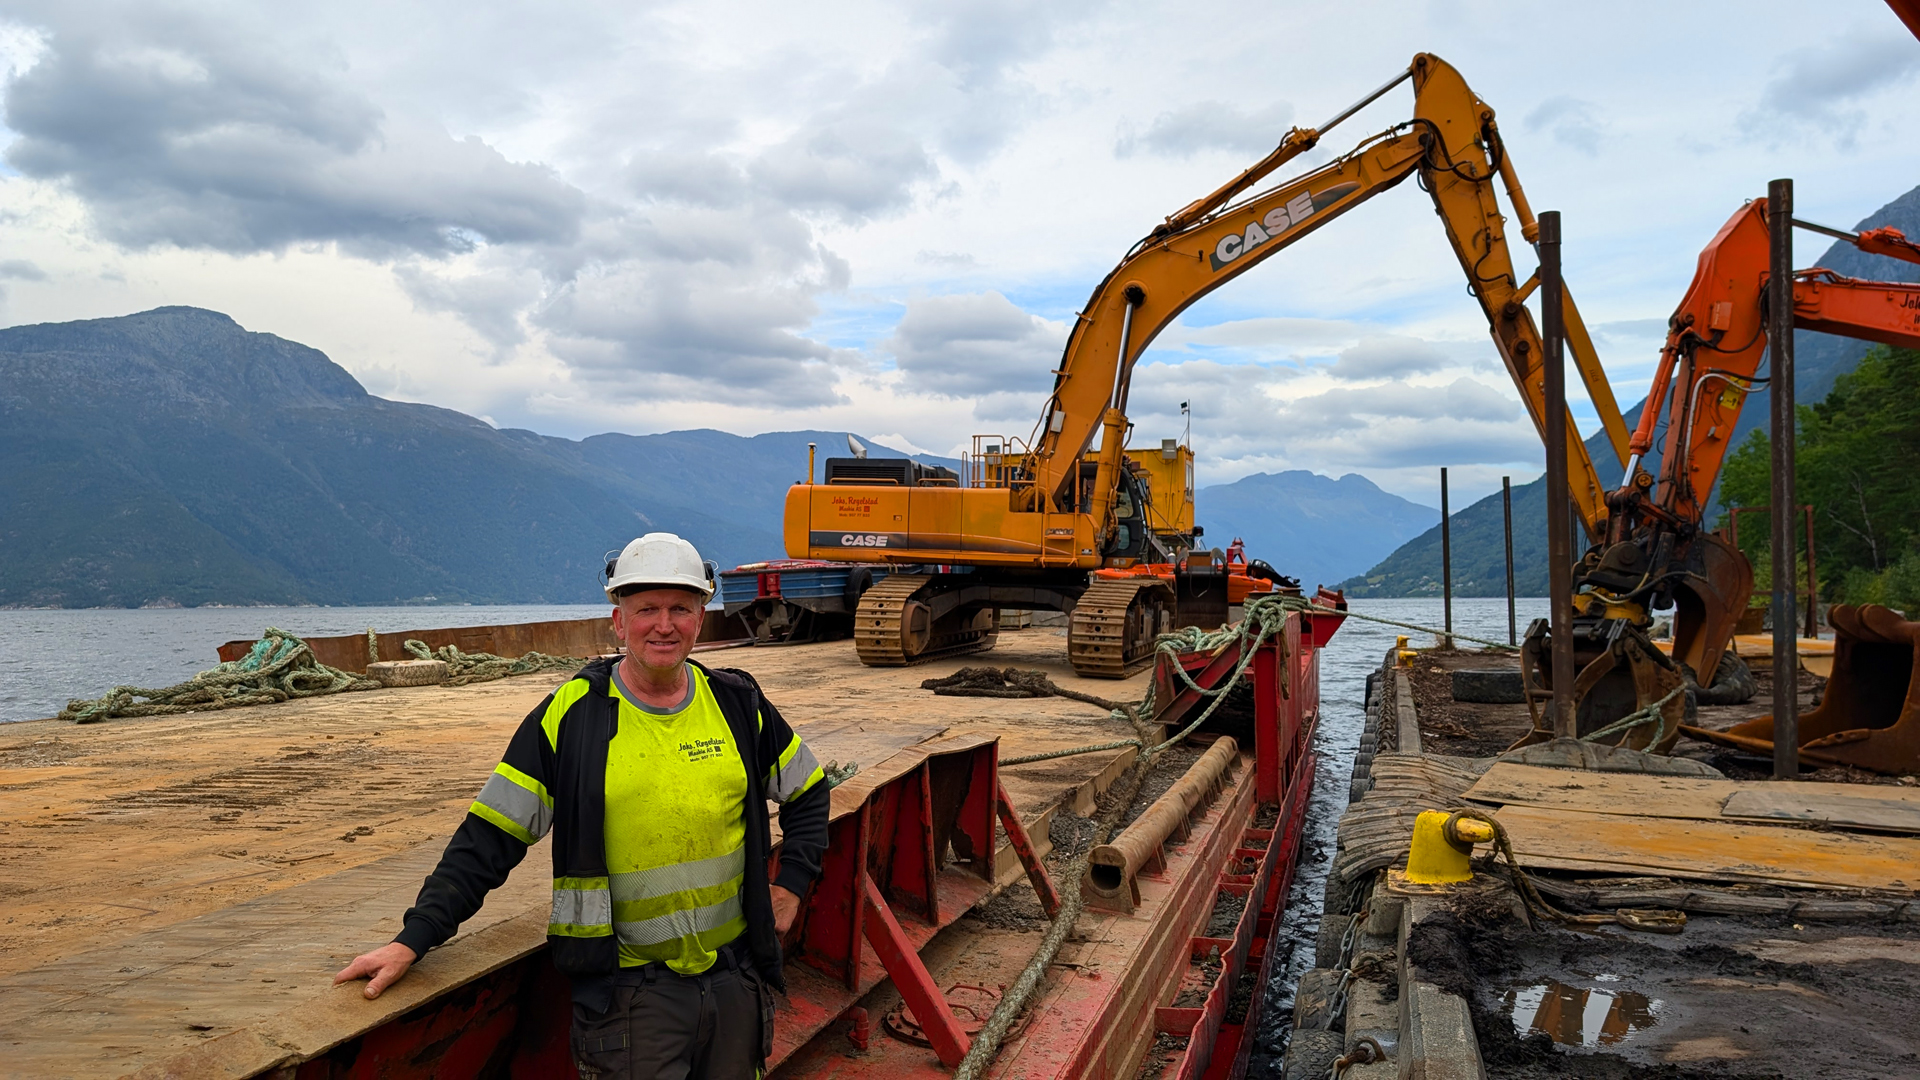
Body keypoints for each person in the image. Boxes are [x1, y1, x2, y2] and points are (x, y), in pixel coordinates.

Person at [335, 532, 831, 1078]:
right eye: (646, 610)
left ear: (701, 616)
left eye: (679, 609)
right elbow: (489, 838)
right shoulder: (572, 718)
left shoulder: (738, 705)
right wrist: (414, 938)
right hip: (629, 996)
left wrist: (791, 885)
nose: (663, 625)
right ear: (619, 621)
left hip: (735, 981)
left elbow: (808, 791)